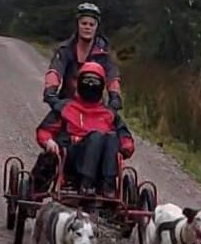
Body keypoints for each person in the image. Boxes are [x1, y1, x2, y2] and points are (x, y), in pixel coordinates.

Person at [34, 61, 134, 197]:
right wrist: (48, 142)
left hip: (103, 164)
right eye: (87, 81)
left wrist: (125, 148)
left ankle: (108, 185)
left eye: (95, 82)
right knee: (96, 137)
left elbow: (124, 137)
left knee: (111, 137)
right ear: (79, 83)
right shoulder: (66, 108)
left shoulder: (109, 114)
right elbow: (44, 131)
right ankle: (86, 183)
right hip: (73, 159)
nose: (91, 85)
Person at [42, 2, 122, 113]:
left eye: (91, 24)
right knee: (45, 129)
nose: (87, 27)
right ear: (78, 25)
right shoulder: (65, 49)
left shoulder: (104, 54)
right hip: (66, 105)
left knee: (118, 129)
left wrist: (115, 97)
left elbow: (112, 77)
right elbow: (55, 71)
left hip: (95, 109)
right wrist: (50, 91)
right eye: (84, 23)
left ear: (96, 27)